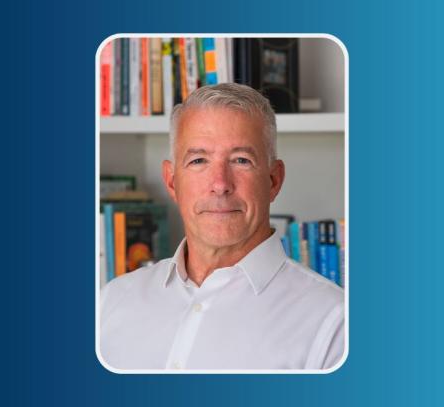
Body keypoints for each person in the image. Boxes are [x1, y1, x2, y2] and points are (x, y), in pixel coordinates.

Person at [99, 83, 344, 371]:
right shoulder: (111, 302)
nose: (220, 185)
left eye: (241, 160)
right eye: (199, 160)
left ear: (274, 180)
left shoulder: (334, 323)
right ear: (171, 181)